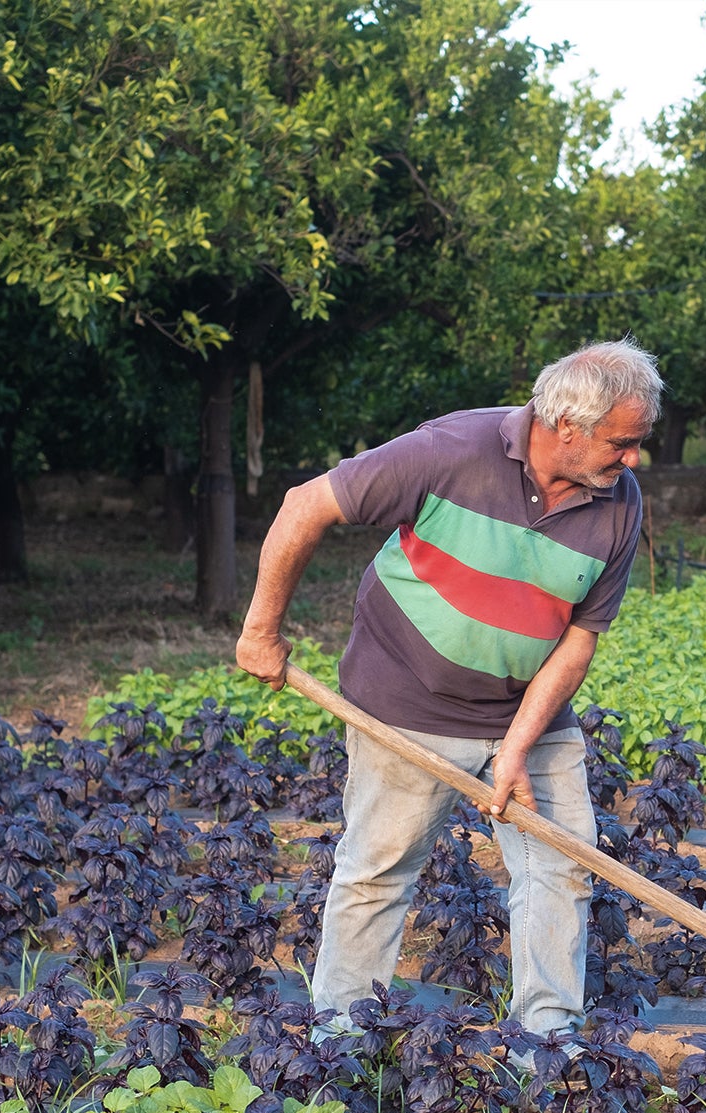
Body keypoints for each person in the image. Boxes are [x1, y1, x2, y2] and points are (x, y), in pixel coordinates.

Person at [234, 338, 659, 1034]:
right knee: (378, 871)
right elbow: (303, 506)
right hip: (406, 703)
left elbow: (579, 639)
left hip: (533, 711)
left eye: (640, 442)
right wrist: (260, 629)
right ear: (566, 428)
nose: (634, 458)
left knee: (562, 866)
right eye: (623, 442)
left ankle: (547, 1042)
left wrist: (519, 743)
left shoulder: (618, 502)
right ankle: (339, 1037)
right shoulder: (448, 451)